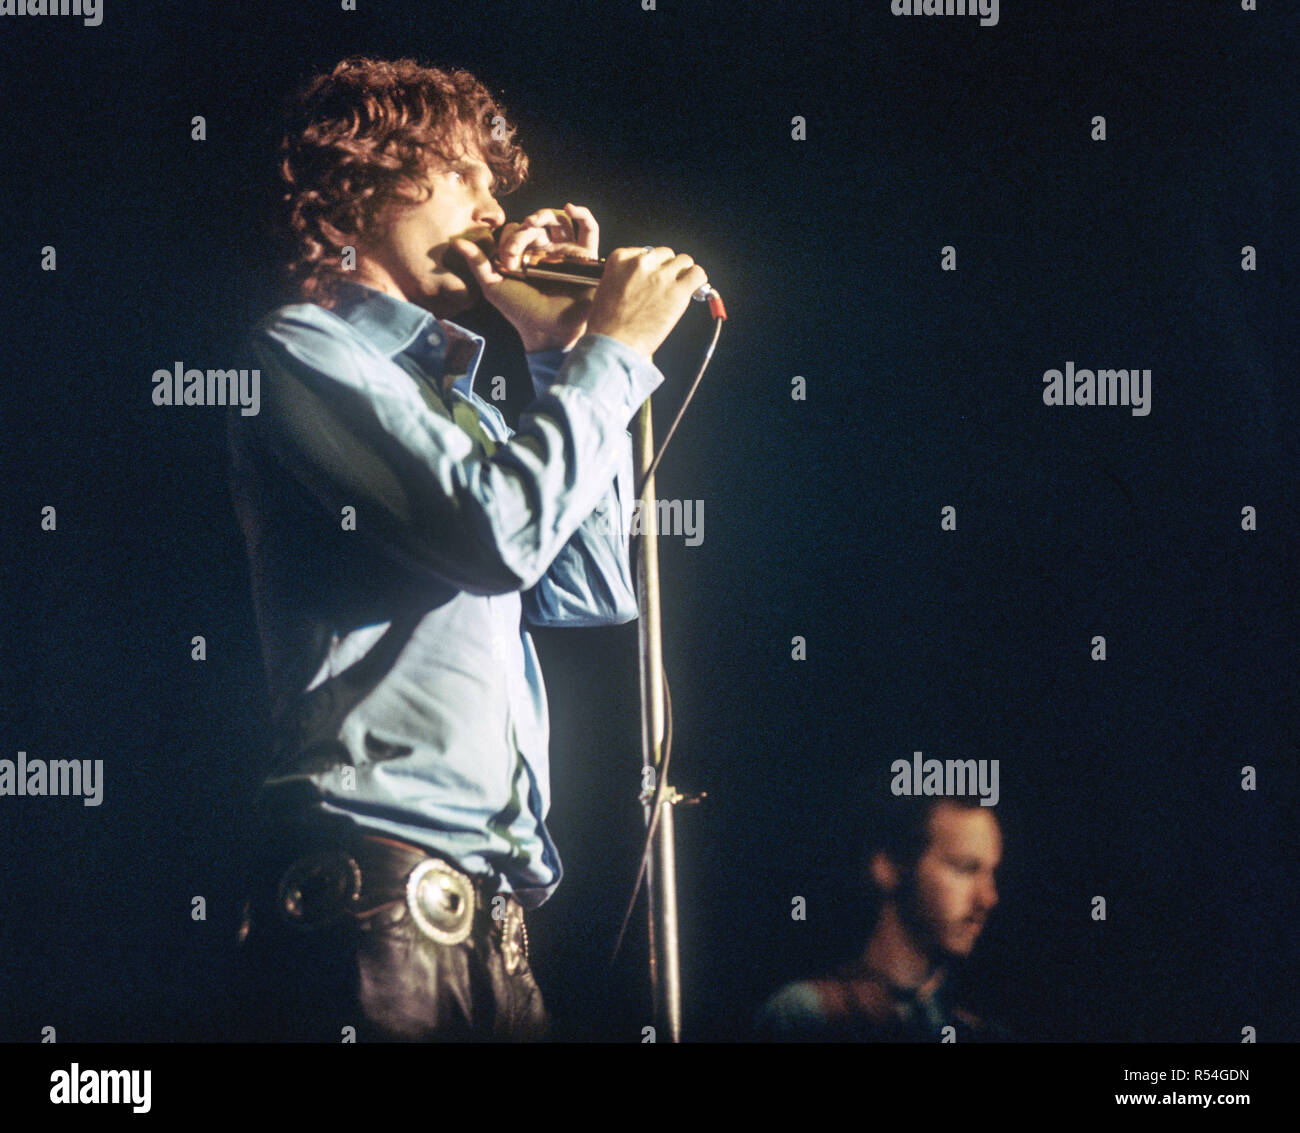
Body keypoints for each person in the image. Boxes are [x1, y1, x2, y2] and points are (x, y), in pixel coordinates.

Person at [226, 56, 708, 1041]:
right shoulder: (303, 347)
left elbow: (585, 586)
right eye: (466, 172)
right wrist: (613, 355)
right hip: (375, 902)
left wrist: (559, 355)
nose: (496, 202)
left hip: (490, 924)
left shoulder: (450, 398)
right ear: (357, 186)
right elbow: (499, 535)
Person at [755, 796, 1012, 1041]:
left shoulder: (974, 1026)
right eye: (965, 868)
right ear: (887, 868)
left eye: (992, 873)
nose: (988, 898)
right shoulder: (812, 1013)